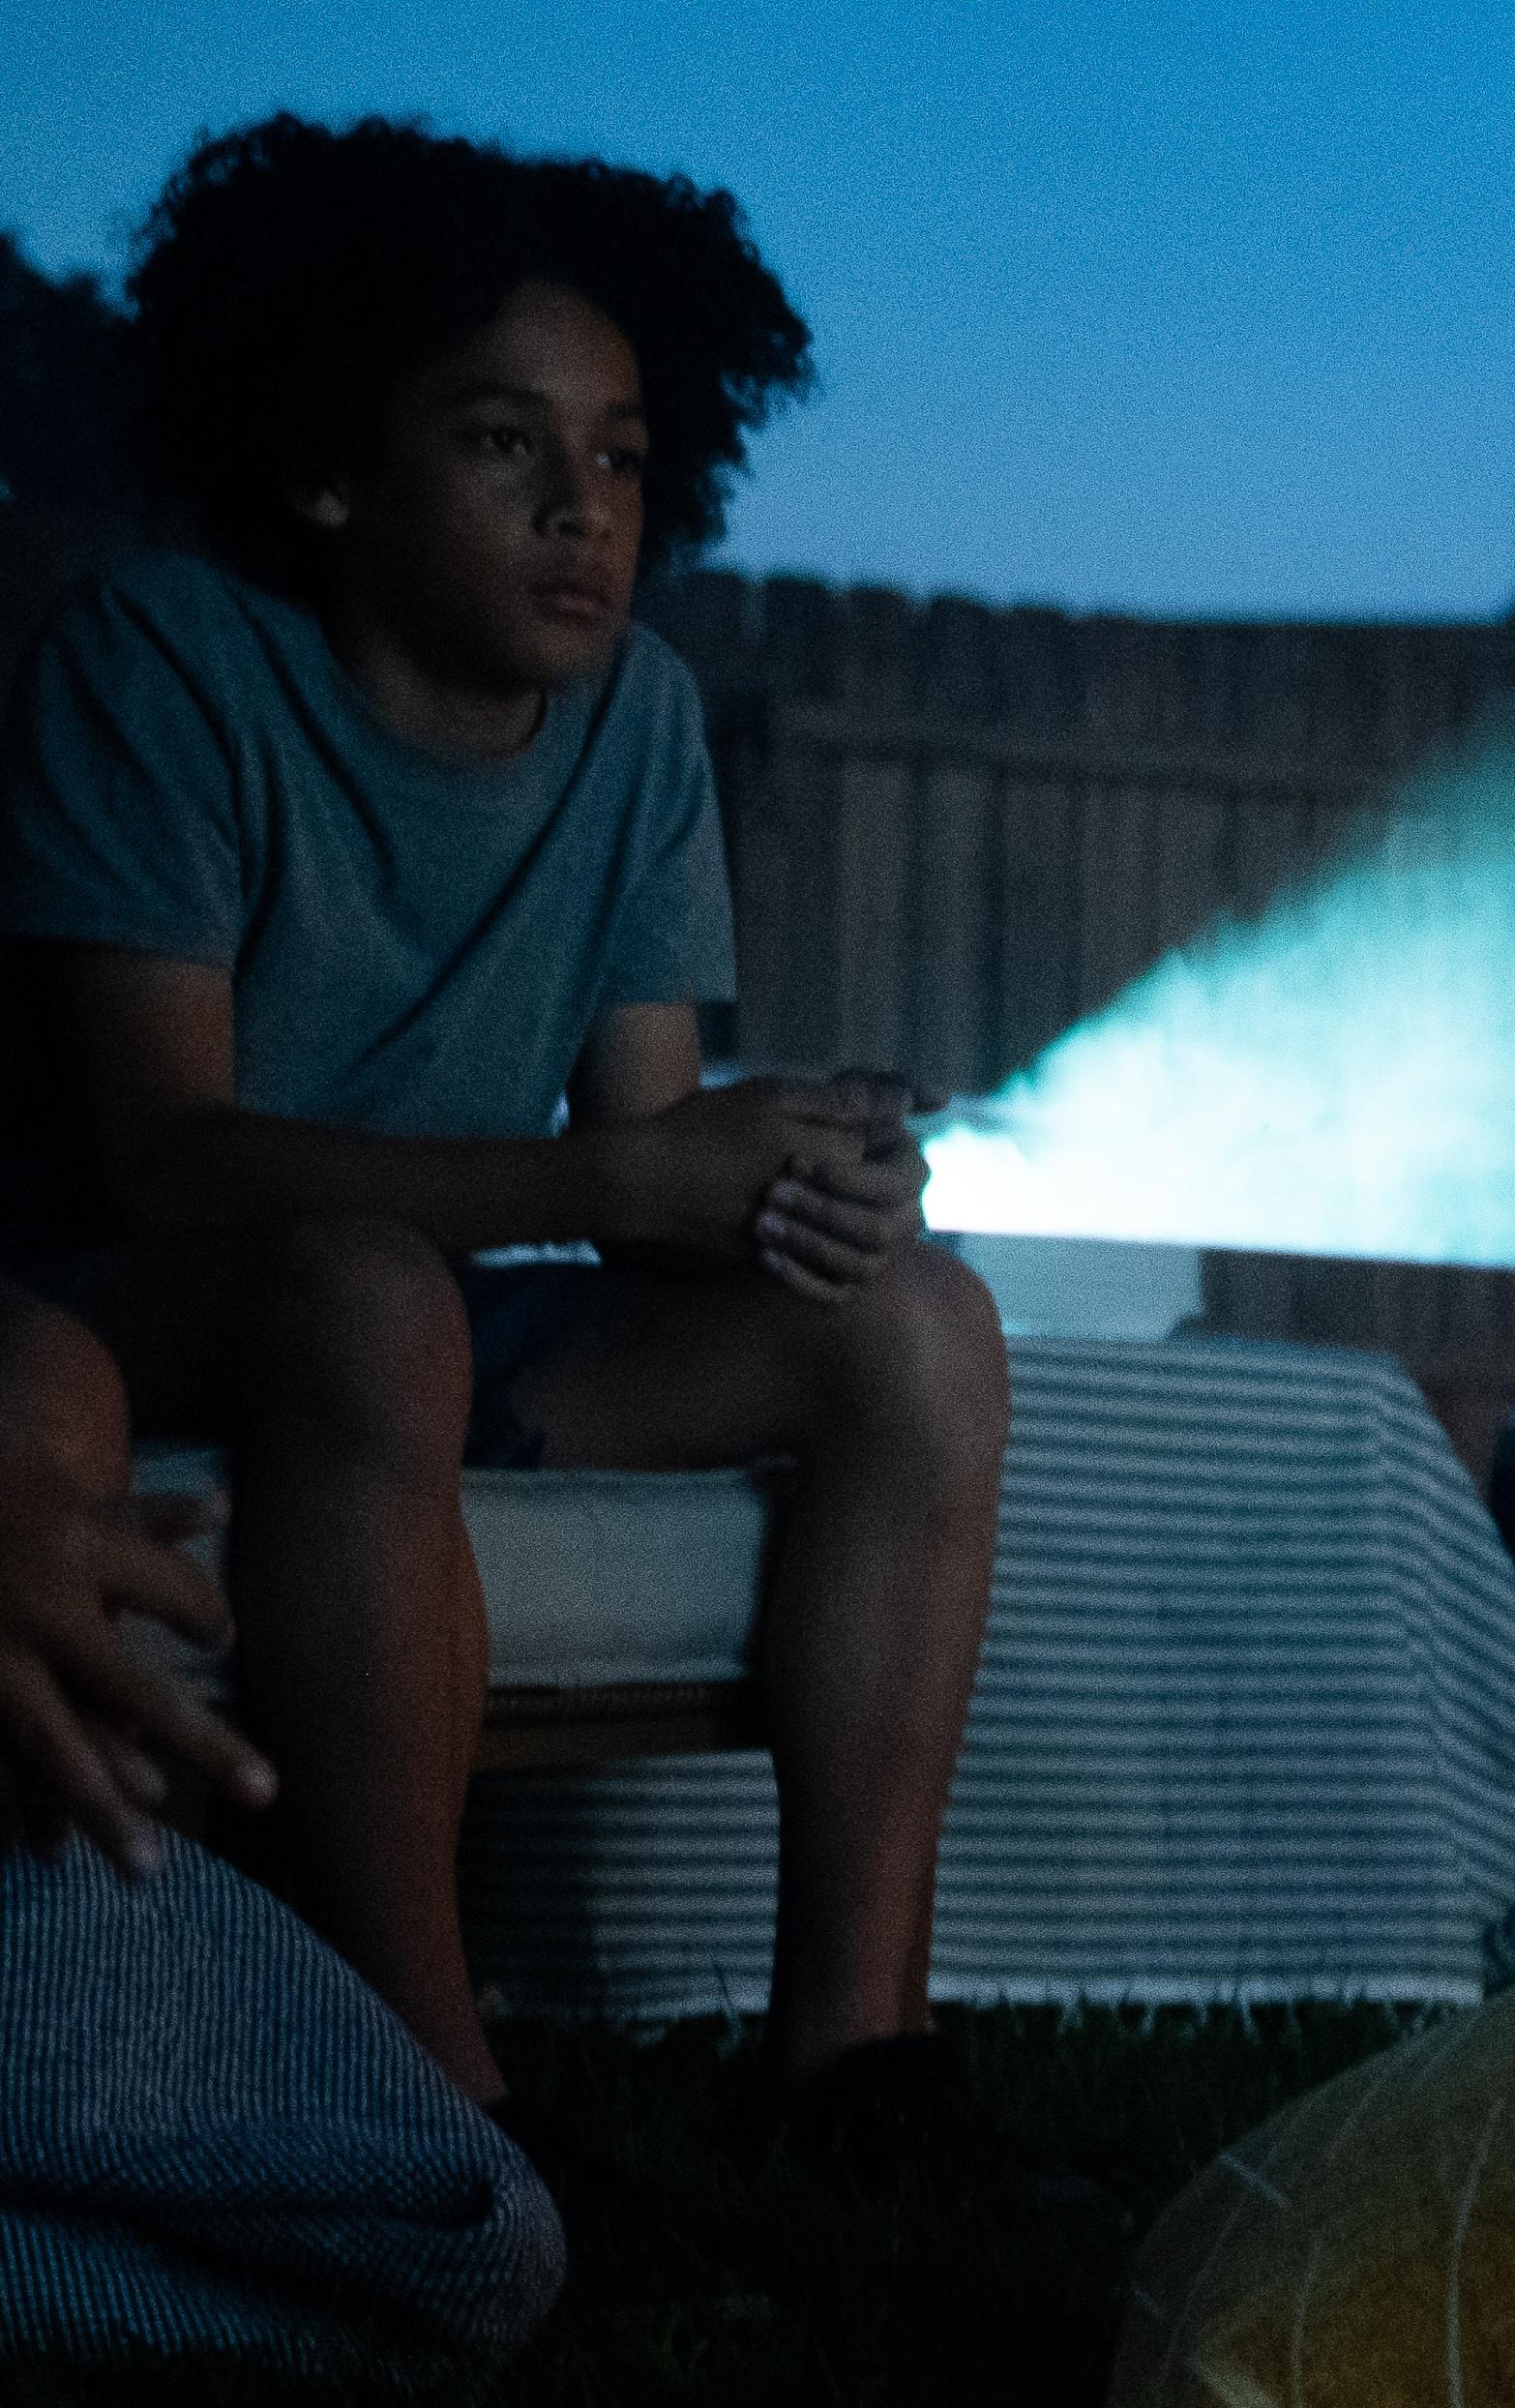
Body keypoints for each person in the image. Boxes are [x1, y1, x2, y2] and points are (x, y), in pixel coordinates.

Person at [0, 116, 1058, 2272]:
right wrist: (617, 1171)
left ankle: (859, 2054)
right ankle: (438, 2094)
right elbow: (167, 1154)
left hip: (446, 1310)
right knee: (376, 1296)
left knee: (920, 1323)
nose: (588, 511)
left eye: (625, 454)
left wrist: (801, 1175)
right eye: (505, 445)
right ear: (329, 466)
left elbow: (647, 1166)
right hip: (157, 1295)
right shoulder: (164, 661)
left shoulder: (640, 718)